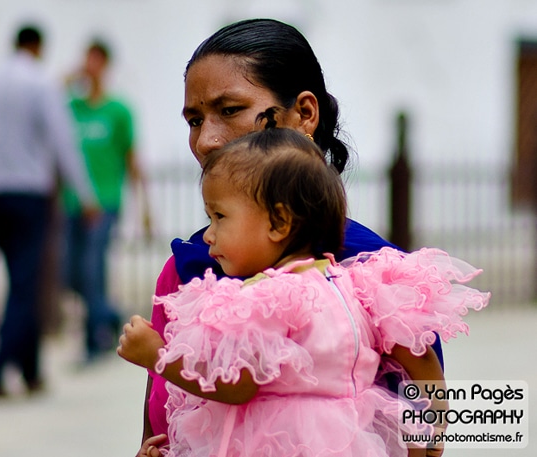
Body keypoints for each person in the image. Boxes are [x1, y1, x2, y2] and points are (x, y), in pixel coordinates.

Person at [132, 18, 448, 456]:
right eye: (193, 119)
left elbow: (427, 414)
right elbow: (159, 424)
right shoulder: (187, 272)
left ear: (304, 114)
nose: (206, 141)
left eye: (229, 110)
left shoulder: (374, 277)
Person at [118, 125, 490, 456]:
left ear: (279, 222)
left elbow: (235, 387)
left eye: (220, 217)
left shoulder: (263, 298)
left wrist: (158, 355)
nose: (209, 235)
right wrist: (430, 434)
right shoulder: (359, 285)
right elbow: (422, 360)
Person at [0, 25, 98, 399]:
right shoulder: (41, 84)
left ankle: (31, 372)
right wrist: (85, 194)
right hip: (31, 196)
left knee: (21, 280)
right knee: (25, 284)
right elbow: (64, 142)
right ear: (38, 47)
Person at [62, 38, 152, 361]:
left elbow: (132, 158)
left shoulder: (119, 111)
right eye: (87, 60)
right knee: (67, 272)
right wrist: (67, 80)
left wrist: (145, 207)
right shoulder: (71, 107)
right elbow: (43, 104)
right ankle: (110, 314)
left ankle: (94, 341)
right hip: (71, 203)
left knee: (91, 269)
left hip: (106, 202)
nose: (90, 67)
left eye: (97, 60)